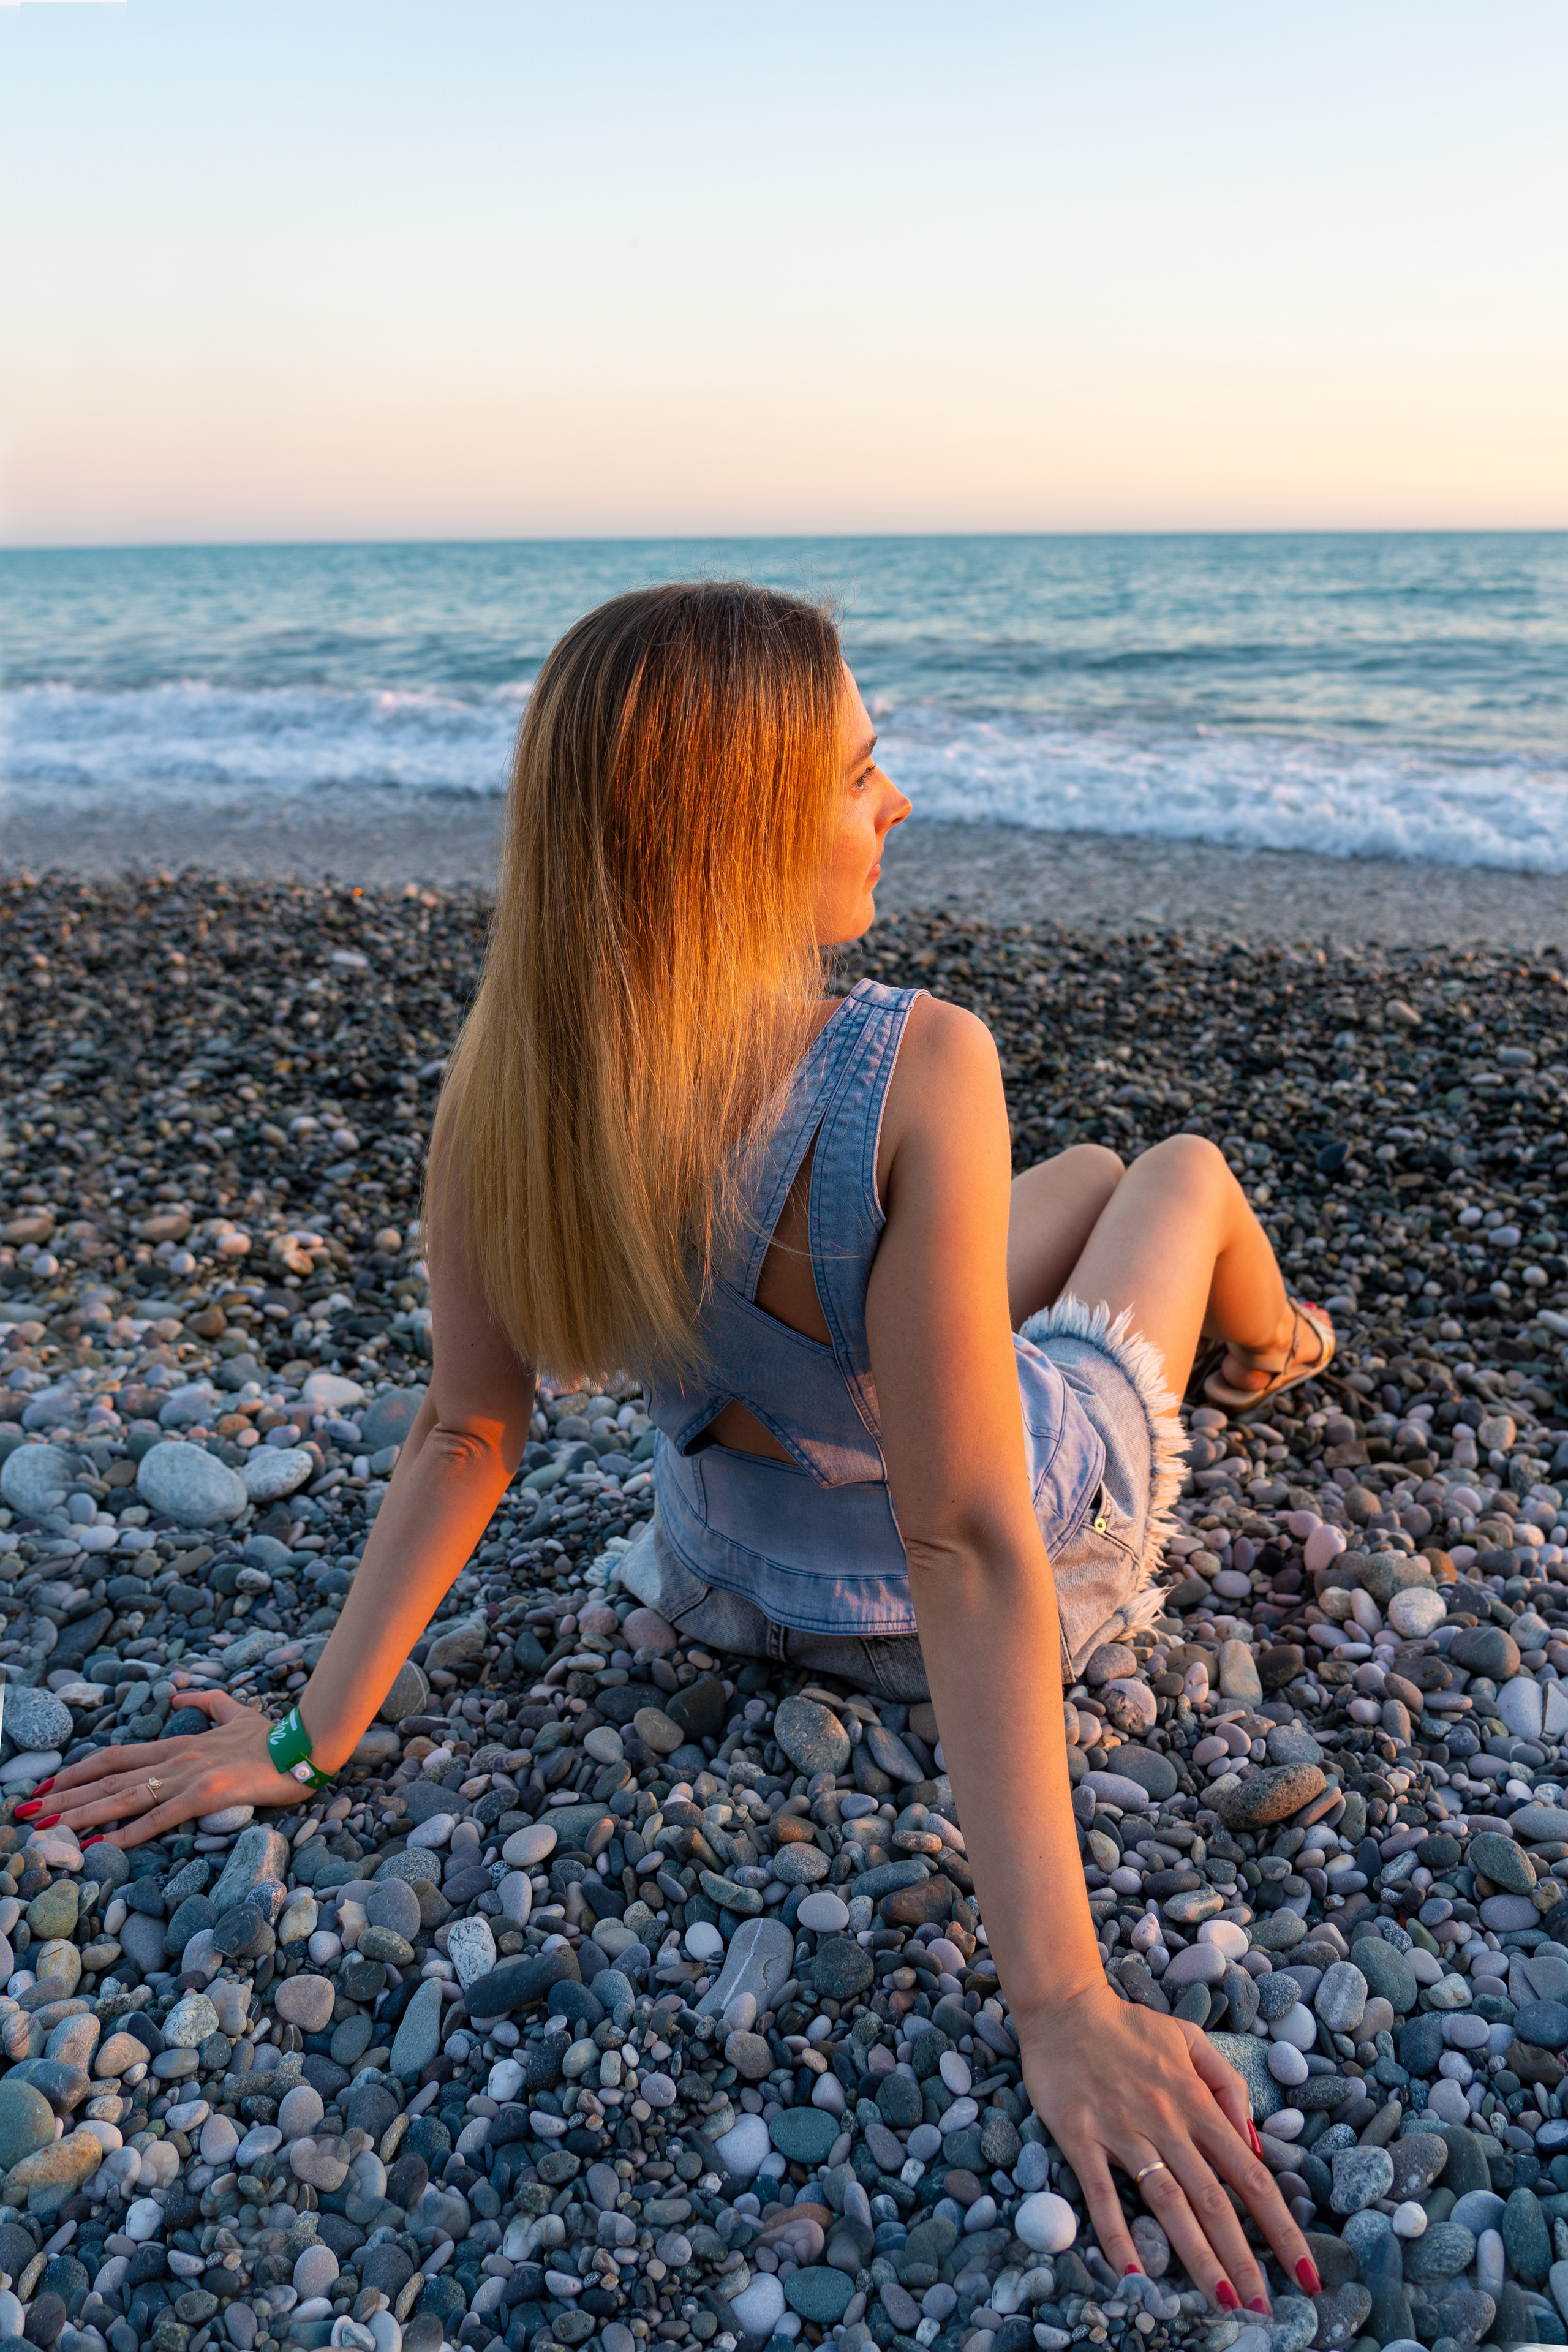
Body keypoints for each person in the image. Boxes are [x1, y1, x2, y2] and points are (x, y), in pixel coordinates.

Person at [42, 584, 1333, 2312]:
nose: (899, 804)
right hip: (980, 1548)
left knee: (1077, 1181)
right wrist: (1063, 2005)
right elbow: (966, 1537)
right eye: (861, 775)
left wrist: (307, 1733)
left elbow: (464, 1430)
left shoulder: (513, 1088)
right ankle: (1285, 1343)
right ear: (736, 832)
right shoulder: (922, 1061)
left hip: (725, 1570)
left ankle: (1171, 1304)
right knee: (1171, 1173)